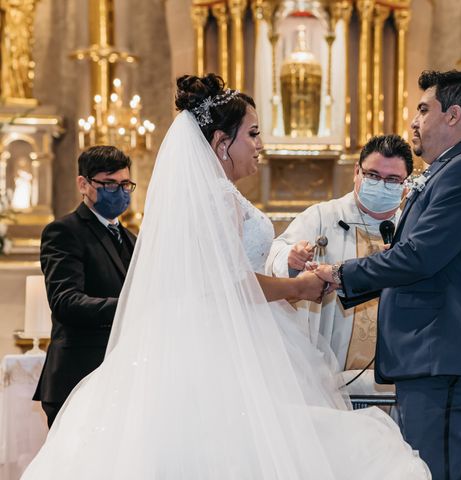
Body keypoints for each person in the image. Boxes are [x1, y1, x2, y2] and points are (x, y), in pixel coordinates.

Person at [22, 74, 430, 479]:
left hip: (206, 337)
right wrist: (298, 287)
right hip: (221, 343)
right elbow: (229, 285)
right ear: (221, 143)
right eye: (251, 134)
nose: (259, 144)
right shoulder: (218, 199)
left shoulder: (213, 197)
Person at [316, 70, 461, 480]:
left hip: (445, 355)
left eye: (423, 109)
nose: (414, 121)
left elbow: (418, 258)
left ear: (453, 116)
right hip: (431, 359)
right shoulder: (449, 169)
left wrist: (338, 273)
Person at [266, 134, 412, 371]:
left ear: (405, 186)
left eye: (392, 179)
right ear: (357, 172)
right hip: (329, 369)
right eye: (373, 175)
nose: (381, 185)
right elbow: (276, 252)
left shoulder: (412, 230)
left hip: (397, 370)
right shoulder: (324, 217)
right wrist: (291, 259)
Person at [33, 146, 137, 428]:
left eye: (125, 184)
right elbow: (66, 301)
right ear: (84, 183)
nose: (120, 192)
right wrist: (132, 306)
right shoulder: (64, 232)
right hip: (78, 375)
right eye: (109, 184)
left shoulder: (131, 238)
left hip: (121, 376)